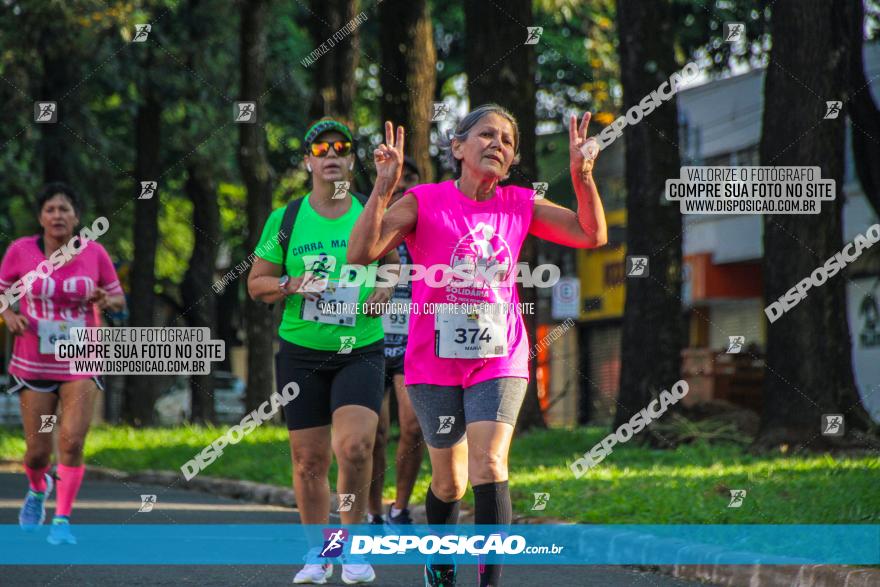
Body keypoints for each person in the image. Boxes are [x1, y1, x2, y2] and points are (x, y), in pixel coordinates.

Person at [348, 105, 608, 586]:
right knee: (450, 480)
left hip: (499, 354)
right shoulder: (424, 201)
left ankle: (489, 581)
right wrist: (384, 188)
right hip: (434, 360)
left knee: (490, 462)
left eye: (507, 141)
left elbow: (592, 234)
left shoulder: (520, 203)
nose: (498, 145)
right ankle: (442, 564)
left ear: (511, 162)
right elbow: (360, 252)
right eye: (486, 135)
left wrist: (582, 174)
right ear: (458, 147)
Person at [247, 118, 397, 585]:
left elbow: (393, 265)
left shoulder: (370, 210)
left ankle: (351, 548)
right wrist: (290, 283)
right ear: (308, 160)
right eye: (321, 148)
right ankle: (318, 552)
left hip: (361, 347)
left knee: (355, 447)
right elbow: (257, 284)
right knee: (309, 461)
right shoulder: (286, 219)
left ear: (352, 160)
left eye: (342, 148)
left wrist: (385, 290)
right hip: (301, 351)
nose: (331, 154)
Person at [1, 183, 126, 545]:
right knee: (37, 451)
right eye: (51, 209)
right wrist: (8, 314)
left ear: (76, 217)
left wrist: (106, 297)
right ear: (41, 217)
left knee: (71, 440)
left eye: (65, 209)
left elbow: (117, 299)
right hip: (34, 359)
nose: (58, 215)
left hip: (81, 356)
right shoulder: (20, 251)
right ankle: (38, 489)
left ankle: (62, 521)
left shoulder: (95, 253)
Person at [366, 156, 425, 527]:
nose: (404, 195)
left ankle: (400, 508)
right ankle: (372, 511)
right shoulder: (371, 226)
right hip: (370, 339)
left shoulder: (429, 225)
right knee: (374, 432)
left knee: (413, 426)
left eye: (410, 189)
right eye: (397, 189)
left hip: (412, 341)